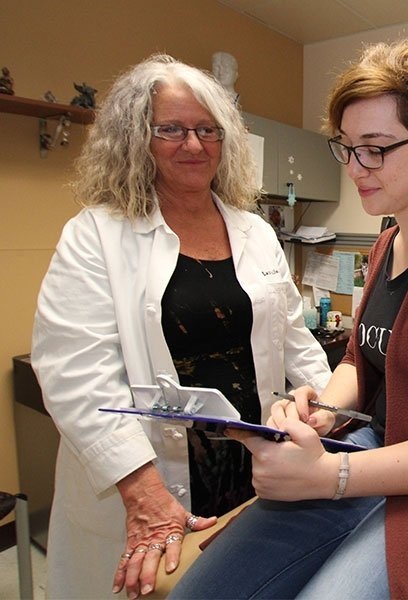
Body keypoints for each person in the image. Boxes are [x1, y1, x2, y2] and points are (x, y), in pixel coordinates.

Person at [168, 40, 408, 599]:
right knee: (204, 591)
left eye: (375, 148)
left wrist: (330, 476)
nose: (354, 169)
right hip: (385, 443)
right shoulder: (388, 242)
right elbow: (359, 360)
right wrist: (319, 407)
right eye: (346, 148)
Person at [30, 54, 331, 600]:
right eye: (170, 128)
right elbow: (76, 373)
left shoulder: (255, 231)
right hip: (148, 478)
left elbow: (295, 341)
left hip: (249, 468)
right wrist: (143, 493)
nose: (193, 144)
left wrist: (330, 409)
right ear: (135, 139)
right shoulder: (97, 233)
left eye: (207, 129)